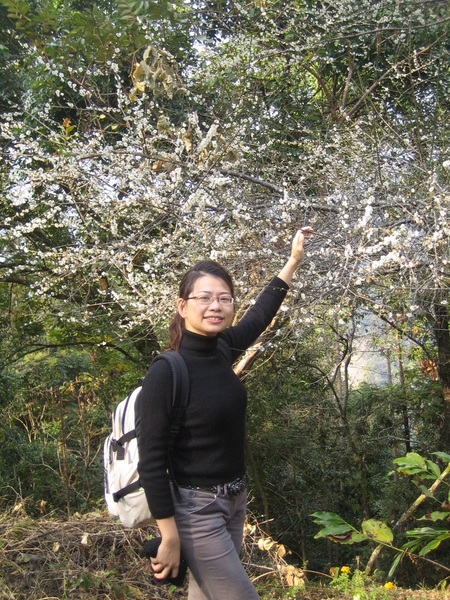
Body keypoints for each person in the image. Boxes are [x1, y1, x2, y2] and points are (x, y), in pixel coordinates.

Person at [135, 227, 312, 600]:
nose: (216, 306)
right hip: (195, 510)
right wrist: (169, 535)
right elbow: (150, 461)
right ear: (182, 307)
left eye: (224, 298)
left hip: (234, 501)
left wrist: (292, 261)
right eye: (204, 298)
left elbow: (262, 313)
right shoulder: (166, 372)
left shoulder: (223, 347)